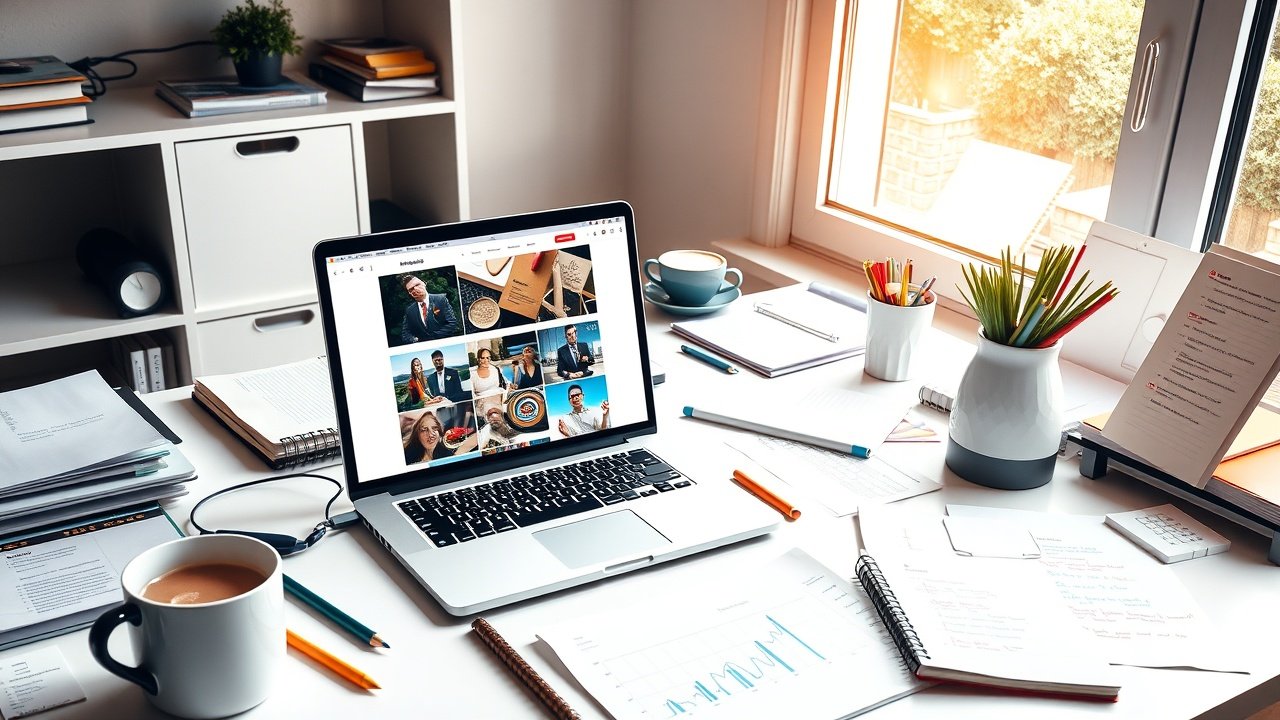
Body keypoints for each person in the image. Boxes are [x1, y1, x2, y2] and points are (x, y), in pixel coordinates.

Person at [399, 274, 458, 344]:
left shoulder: (441, 299)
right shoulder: (409, 310)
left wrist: (433, 338)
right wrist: (416, 340)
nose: (416, 289)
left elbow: (452, 323)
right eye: (411, 289)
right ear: (410, 293)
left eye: (417, 285)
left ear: (424, 283)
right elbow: (405, 333)